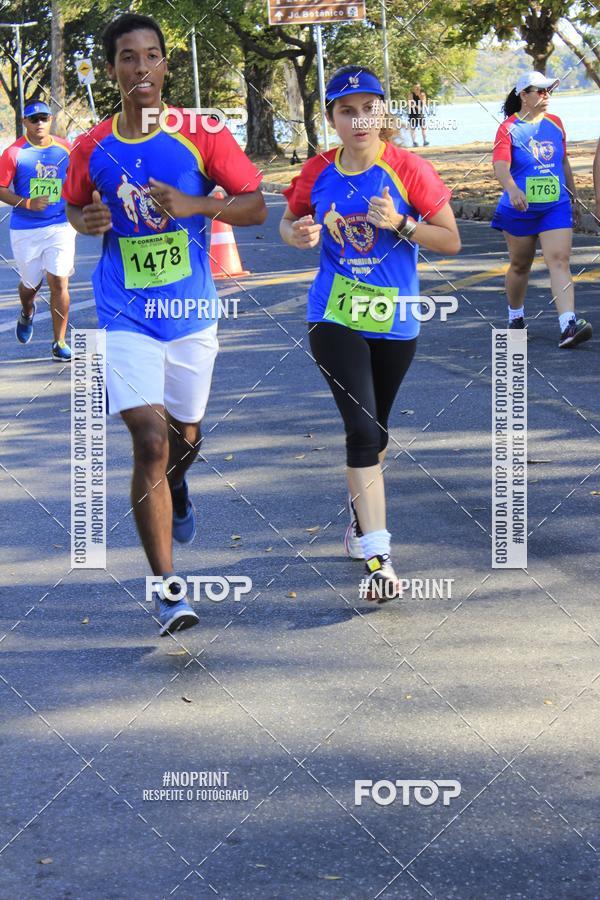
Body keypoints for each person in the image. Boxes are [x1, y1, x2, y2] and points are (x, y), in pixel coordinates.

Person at [63, 14, 266, 636]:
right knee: (148, 441)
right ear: (112, 69)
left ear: (165, 66)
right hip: (124, 313)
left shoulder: (202, 134)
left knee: (185, 439)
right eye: (128, 58)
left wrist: (199, 204)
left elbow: (256, 205)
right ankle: (167, 589)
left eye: (152, 56)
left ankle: (177, 488)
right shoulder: (91, 146)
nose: (141, 68)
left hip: (189, 312)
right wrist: (86, 223)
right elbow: (75, 206)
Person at [280, 65, 460, 602]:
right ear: (331, 117)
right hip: (333, 313)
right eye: (346, 110)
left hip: (395, 320)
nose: (360, 120)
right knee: (361, 429)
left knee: (376, 433)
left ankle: (361, 524)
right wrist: (300, 233)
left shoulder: (408, 169)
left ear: (385, 111)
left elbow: (450, 241)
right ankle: (379, 559)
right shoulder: (317, 171)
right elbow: (289, 224)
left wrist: (402, 225)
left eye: (370, 108)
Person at [491, 71, 592, 348]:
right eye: (541, 91)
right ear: (524, 95)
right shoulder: (508, 129)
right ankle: (515, 317)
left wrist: (573, 196)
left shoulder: (556, 124)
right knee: (520, 265)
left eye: (549, 91)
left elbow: (564, 162)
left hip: (554, 207)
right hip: (519, 208)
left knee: (559, 260)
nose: (547, 96)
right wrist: (512, 189)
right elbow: (500, 166)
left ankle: (568, 325)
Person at [0, 101, 75, 361]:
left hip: (60, 225)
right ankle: (27, 309)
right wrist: (28, 203)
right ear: (25, 123)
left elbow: (78, 176)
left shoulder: (65, 147)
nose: (39, 123)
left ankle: (59, 342)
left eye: (44, 118)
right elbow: (1, 188)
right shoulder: (14, 153)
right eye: (34, 119)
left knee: (59, 280)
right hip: (26, 229)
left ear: (51, 120)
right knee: (31, 284)